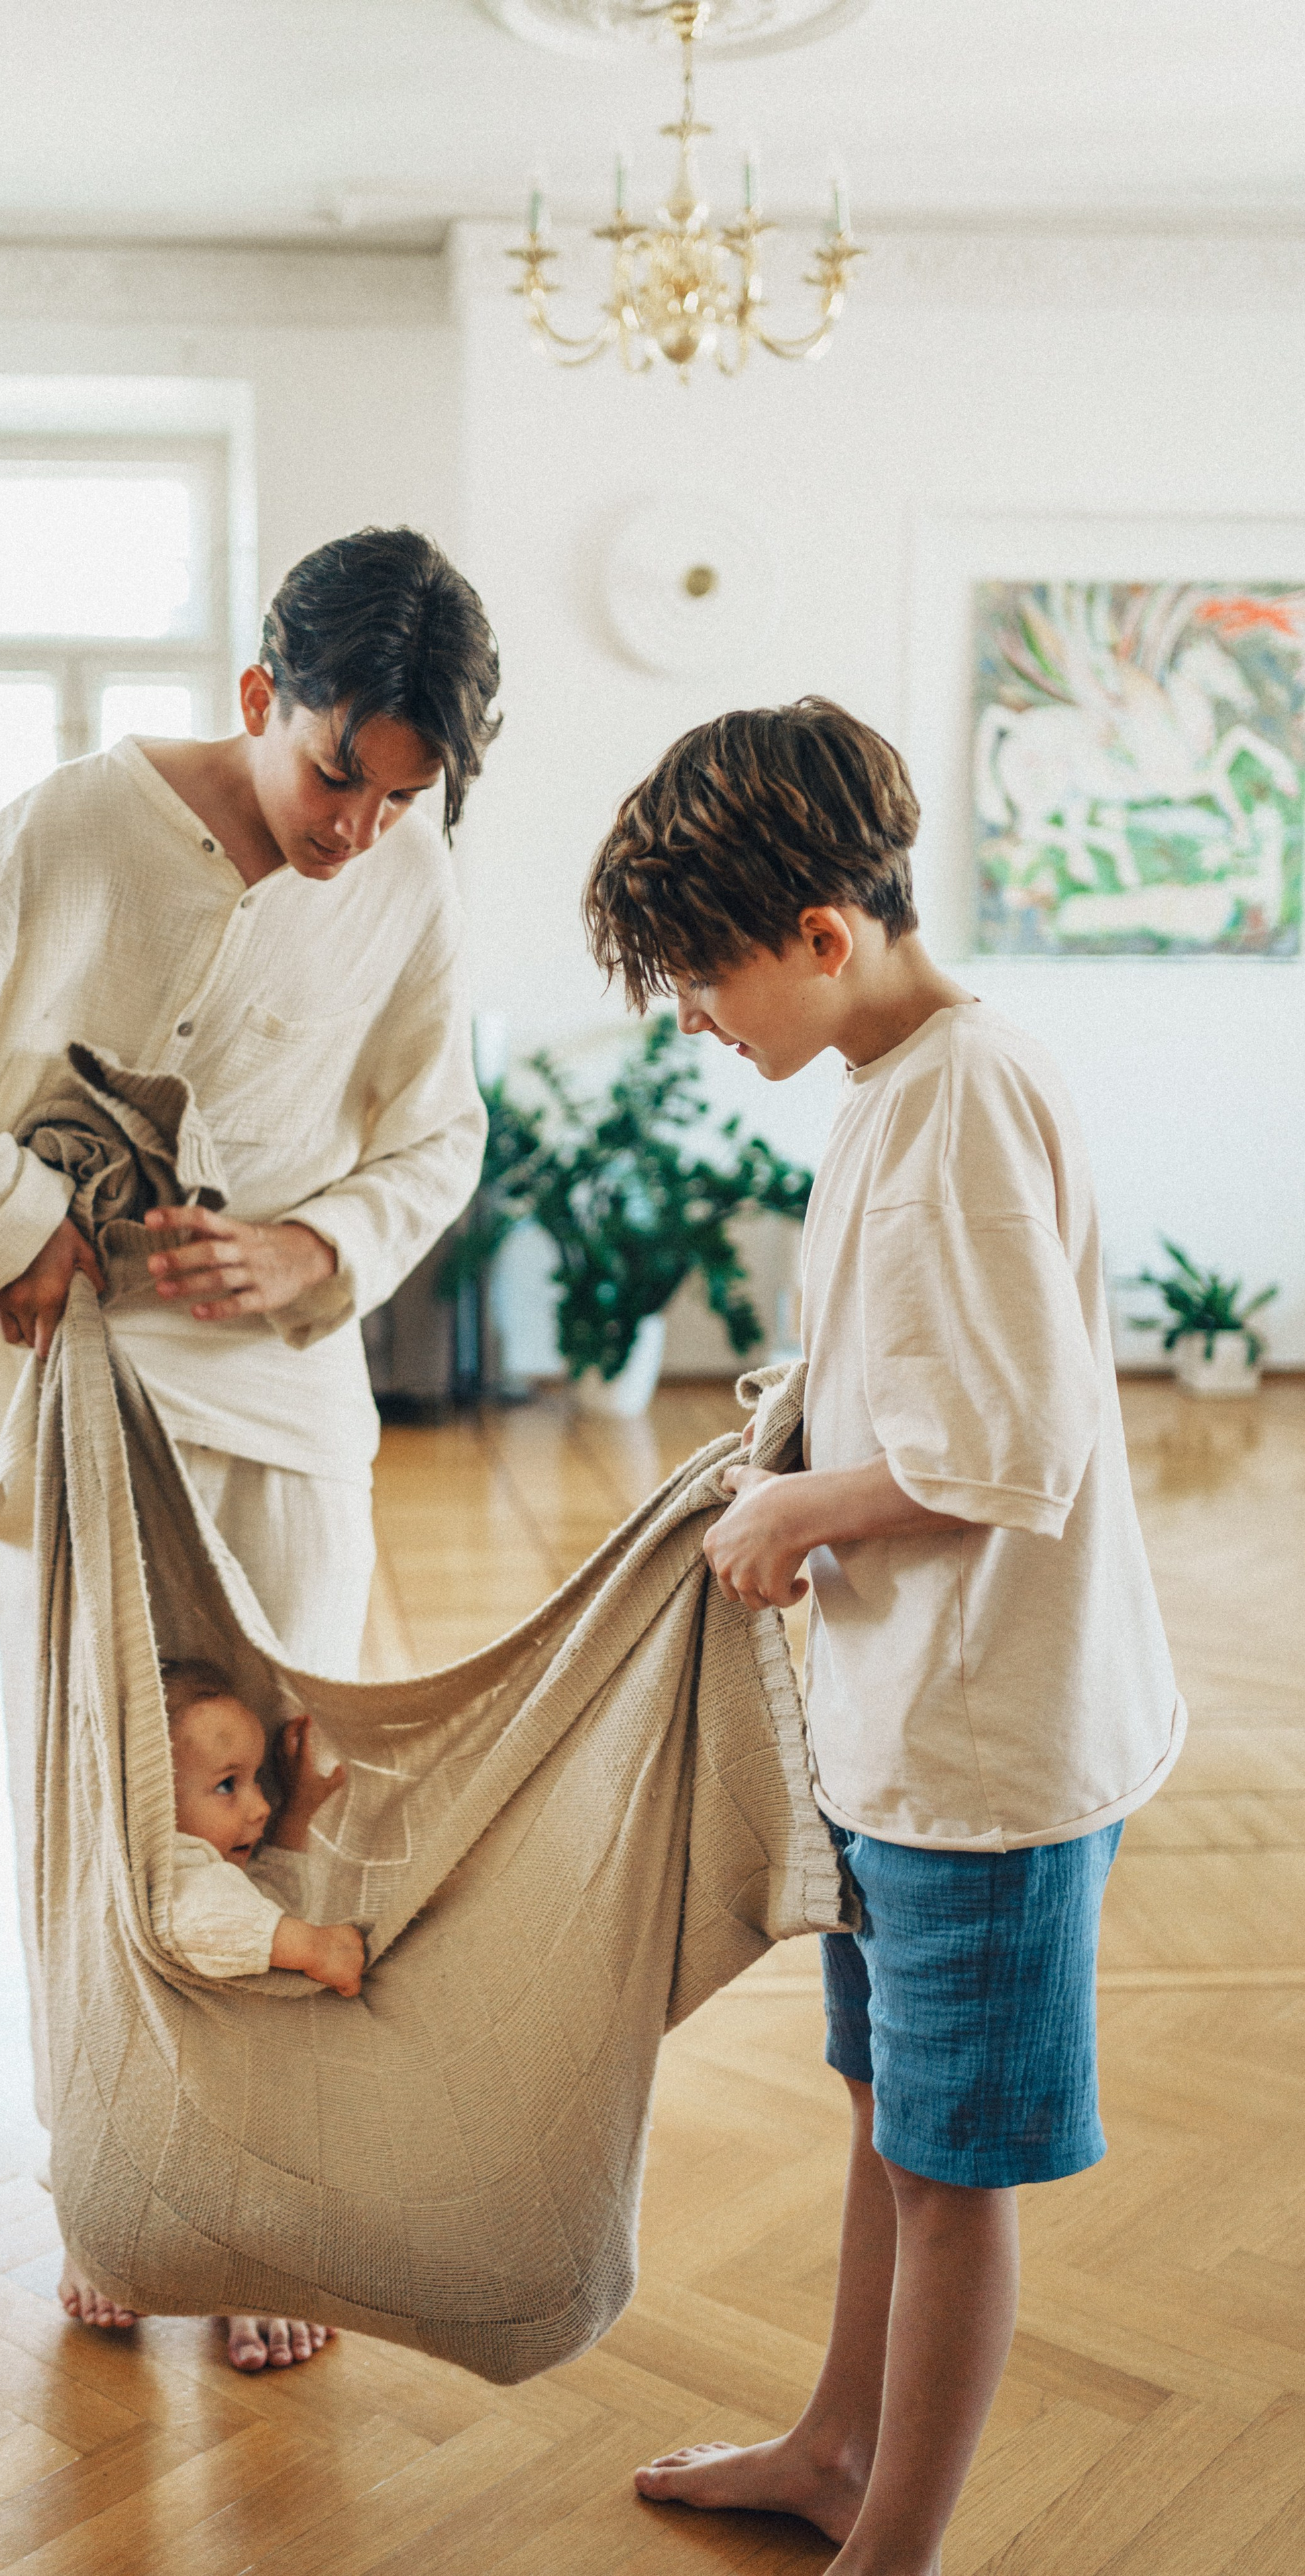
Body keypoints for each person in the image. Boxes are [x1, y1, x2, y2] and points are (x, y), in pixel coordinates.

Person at [0, 525, 500, 2371]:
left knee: (291, 1801)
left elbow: (439, 1137)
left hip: (280, 1407)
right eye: (338, 771)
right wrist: (2, 1220)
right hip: (85, 1399)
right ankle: (114, 2186)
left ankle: (271, 2210)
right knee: (102, 1799)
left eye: (402, 798)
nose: (355, 827)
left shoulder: (405, 881)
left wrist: (315, 1247)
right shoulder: (78, 827)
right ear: (265, 699)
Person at [581, 698, 1184, 2576]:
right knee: (882, 2111)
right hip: (911, 1731)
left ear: (822, 935)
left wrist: (799, 1508)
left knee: (947, 2172)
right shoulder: (899, 1087)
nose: (693, 1013)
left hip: (990, 1760)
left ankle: (892, 2548)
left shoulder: (959, 1102)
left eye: (703, 972)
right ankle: (836, 2449)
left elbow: (1014, 1449)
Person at [161, 1661, 364, 1994]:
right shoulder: (173, 1877)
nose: (262, 1807)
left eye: (256, 1779)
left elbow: (269, 1902)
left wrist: (297, 1813)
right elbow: (196, 1916)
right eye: (226, 1785)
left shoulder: (216, 1872)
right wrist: (315, 1949)